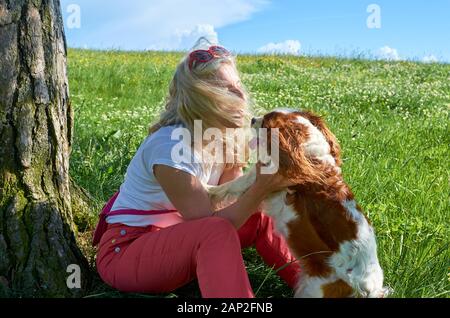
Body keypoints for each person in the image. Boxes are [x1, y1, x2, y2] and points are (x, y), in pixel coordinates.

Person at [93, 38, 301, 298]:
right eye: (227, 90)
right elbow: (211, 224)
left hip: (179, 240)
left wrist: (267, 183)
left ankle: (318, 285)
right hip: (128, 250)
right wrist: (260, 187)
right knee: (217, 229)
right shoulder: (169, 147)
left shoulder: (223, 137)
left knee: (259, 214)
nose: (241, 96)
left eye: (238, 86)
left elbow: (233, 205)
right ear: (202, 99)